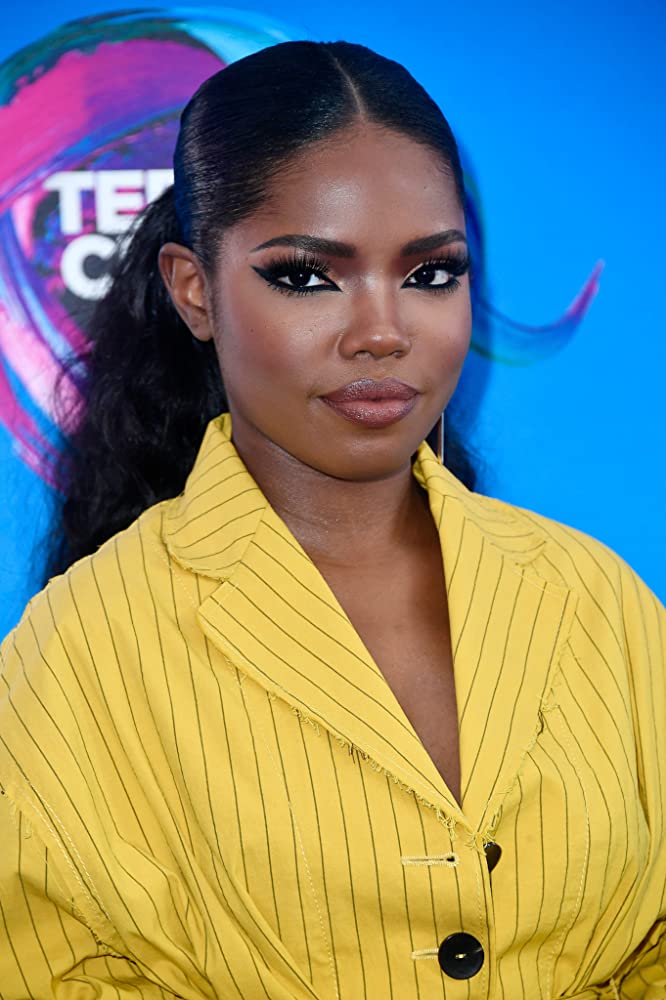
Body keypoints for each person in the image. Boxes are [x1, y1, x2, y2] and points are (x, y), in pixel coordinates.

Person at [0, 40, 663, 1000]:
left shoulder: (599, 601)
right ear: (194, 290)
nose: (383, 331)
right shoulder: (79, 652)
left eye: (430, 273)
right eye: (309, 276)